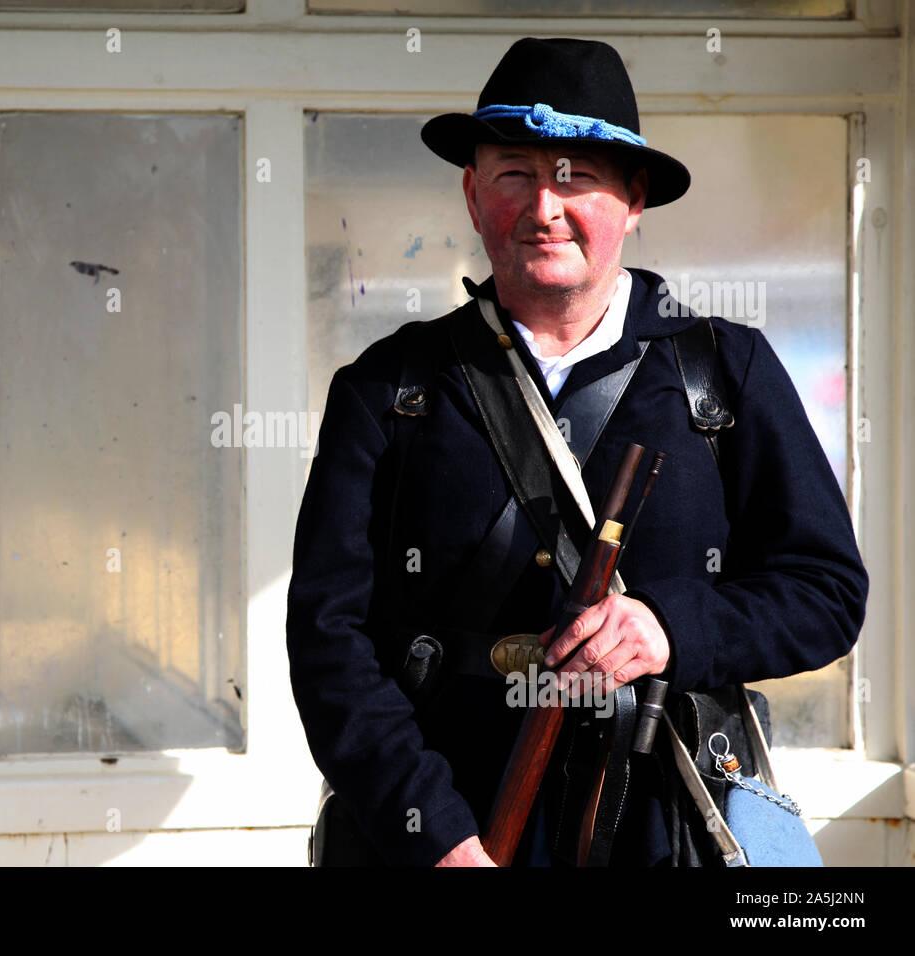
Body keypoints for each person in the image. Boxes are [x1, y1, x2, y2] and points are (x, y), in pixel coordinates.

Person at [285, 37, 868, 867]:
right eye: (514, 172)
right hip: (440, 836)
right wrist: (435, 833)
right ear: (472, 192)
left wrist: (673, 626)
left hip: (662, 835)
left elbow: (827, 593)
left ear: (634, 199)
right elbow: (327, 641)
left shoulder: (723, 376)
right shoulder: (387, 387)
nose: (543, 206)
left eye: (576, 177)